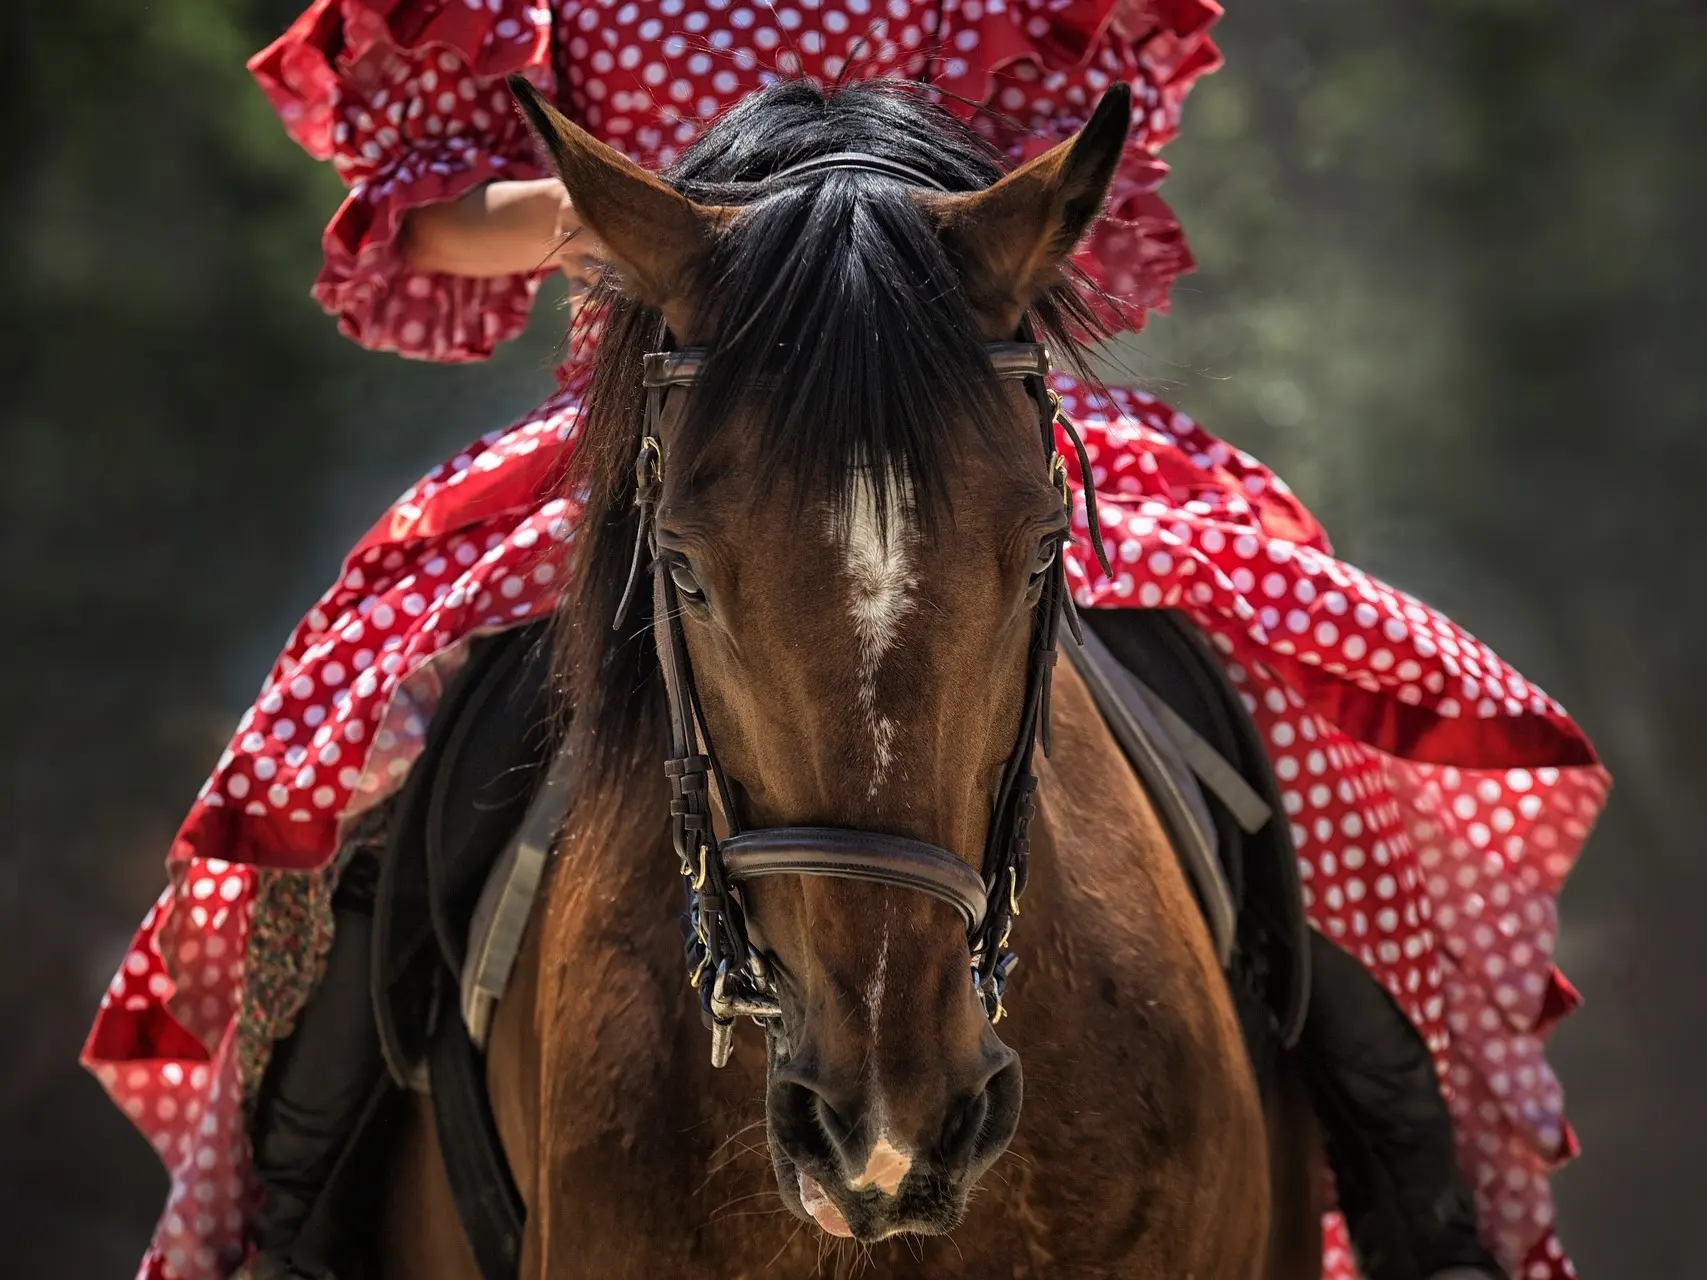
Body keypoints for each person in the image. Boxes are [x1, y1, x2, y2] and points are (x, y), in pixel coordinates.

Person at [81, 2, 1607, 1279]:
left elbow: (1078, 180)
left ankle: (1417, 1196)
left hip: (938, 409)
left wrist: (881, 229)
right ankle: (289, 1209)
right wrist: (665, 222)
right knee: (374, 758)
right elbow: (428, 220)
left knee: (1292, 700)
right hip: (675, 425)